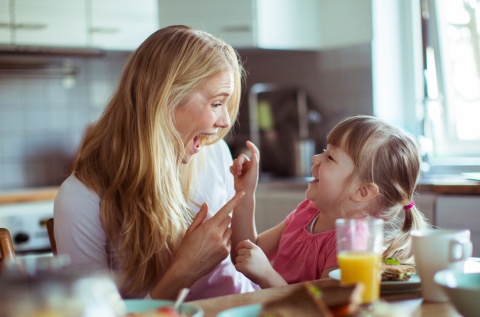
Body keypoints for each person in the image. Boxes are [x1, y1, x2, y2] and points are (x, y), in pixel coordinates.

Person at [54, 25, 248, 300]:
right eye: (217, 104)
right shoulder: (81, 198)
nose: (225, 122)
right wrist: (185, 270)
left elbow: (243, 262)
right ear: (165, 99)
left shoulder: (215, 154)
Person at [230, 115, 432, 289]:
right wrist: (245, 193)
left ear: (362, 191)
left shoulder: (354, 243)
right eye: (324, 151)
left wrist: (267, 276)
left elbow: (325, 307)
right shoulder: (307, 212)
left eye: (330, 157)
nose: (316, 158)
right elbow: (245, 252)